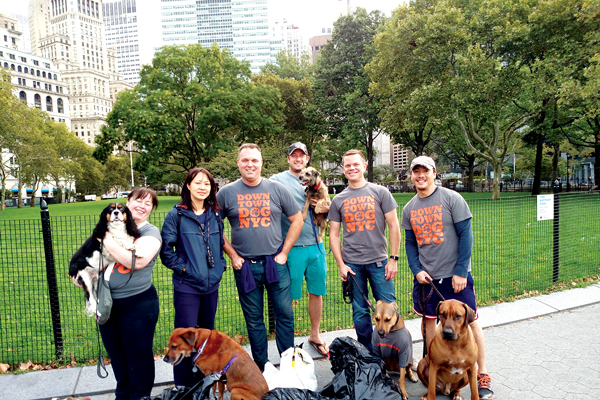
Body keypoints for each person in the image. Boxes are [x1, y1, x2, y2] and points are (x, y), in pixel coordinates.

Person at [400, 155, 494, 399]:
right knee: (431, 321)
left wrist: (461, 271)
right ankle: (437, 370)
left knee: (471, 322)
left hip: (455, 277)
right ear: (411, 175)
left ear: (434, 173)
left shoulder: (452, 198)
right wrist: (416, 269)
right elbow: (410, 244)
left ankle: (481, 373)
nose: (420, 175)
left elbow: (466, 235)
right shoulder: (409, 208)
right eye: (416, 171)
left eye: (425, 171)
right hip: (427, 279)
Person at [217, 143, 304, 371]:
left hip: (275, 263)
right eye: (245, 160)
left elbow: (297, 219)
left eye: (254, 160)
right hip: (245, 267)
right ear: (238, 163)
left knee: (285, 315)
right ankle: (262, 367)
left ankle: (288, 365)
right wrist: (233, 255)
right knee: (254, 320)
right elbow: (214, 227)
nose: (250, 164)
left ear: (261, 163)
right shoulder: (226, 193)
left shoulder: (277, 189)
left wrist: (284, 252)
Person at [72, 187, 161, 400]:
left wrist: (106, 239)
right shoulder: (112, 228)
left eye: (148, 203)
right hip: (108, 304)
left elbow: (135, 261)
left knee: (138, 357)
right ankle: (123, 396)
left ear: (151, 209)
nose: (142, 205)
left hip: (138, 304)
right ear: (127, 203)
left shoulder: (150, 232)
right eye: (138, 200)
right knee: (118, 358)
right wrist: (82, 278)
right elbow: (87, 260)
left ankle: (140, 397)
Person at [160, 167, 227, 387]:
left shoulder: (215, 213)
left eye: (207, 184)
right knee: (184, 339)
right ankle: (184, 387)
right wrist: (185, 269)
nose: (202, 187)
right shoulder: (176, 215)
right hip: (187, 286)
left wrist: (220, 267)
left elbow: (219, 244)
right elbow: (166, 251)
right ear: (188, 185)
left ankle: (203, 382)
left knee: (205, 339)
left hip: (211, 286)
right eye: (197, 183)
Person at [328, 149, 400, 350]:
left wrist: (393, 259)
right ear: (343, 169)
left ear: (364, 166)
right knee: (360, 312)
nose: (352, 168)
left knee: (389, 310)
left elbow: (394, 226)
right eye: (348, 165)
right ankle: (367, 356)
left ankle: (391, 354)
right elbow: (333, 234)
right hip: (352, 266)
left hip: (379, 263)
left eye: (356, 164)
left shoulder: (380, 193)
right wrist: (341, 265)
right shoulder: (338, 200)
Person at [270, 142, 330, 357]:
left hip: (316, 247)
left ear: (307, 159)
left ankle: (315, 335)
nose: (297, 159)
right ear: (288, 159)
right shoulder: (277, 180)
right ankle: (289, 343)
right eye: (293, 155)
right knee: (289, 296)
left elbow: (329, 209)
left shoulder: (316, 181)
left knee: (317, 292)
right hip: (292, 248)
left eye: (301, 156)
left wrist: (326, 209)